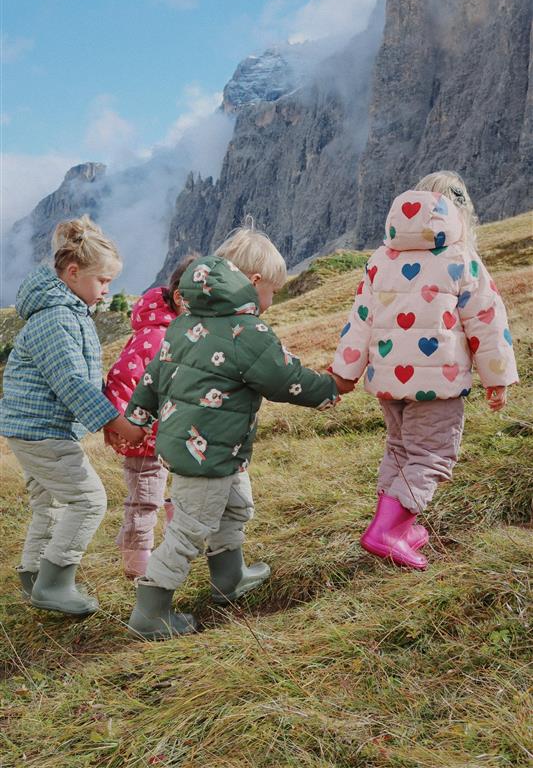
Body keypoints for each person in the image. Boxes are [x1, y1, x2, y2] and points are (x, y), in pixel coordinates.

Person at [124, 221, 346, 639]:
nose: (272, 301)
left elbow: (154, 376)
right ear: (255, 282)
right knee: (189, 530)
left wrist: (137, 417)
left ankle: (230, 577)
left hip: (213, 450)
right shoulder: (248, 331)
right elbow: (284, 378)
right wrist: (330, 389)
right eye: (273, 291)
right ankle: (149, 611)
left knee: (236, 507)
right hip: (207, 455)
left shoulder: (184, 323)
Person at [331, 171, 519, 570]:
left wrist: (345, 373)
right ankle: (386, 532)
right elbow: (487, 322)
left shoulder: (381, 260)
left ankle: (397, 527)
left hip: (389, 383)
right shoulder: (461, 260)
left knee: (400, 449)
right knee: (433, 455)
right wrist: (498, 378)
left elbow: (360, 320)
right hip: (438, 385)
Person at [0, 215, 144, 615]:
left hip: (35, 428)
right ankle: (55, 584)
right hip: (42, 430)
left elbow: (85, 375)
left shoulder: (69, 311)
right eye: (103, 281)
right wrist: (119, 424)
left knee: (50, 503)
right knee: (88, 500)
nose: (107, 290)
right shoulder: (57, 317)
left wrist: (106, 421)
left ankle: (35, 578)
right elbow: (72, 382)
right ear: (74, 272)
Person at [104, 254, 198, 578]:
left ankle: (170, 546)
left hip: (171, 437)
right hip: (146, 442)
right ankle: (137, 568)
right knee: (144, 501)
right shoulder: (156, 337)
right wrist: (127, 427)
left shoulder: (180, 333)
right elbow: (121, 378)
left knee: (175, 492)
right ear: (180, 298)